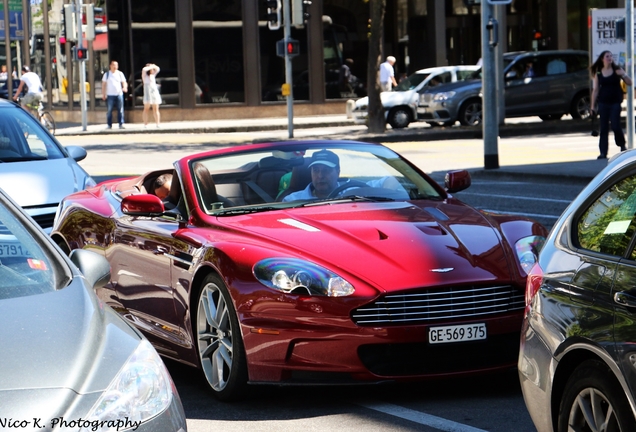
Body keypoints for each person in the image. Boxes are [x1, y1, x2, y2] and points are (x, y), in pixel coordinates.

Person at [282, 150, 401, 202]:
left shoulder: (353, 191)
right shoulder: (293, 200)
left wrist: (384, 198)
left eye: (326, 170)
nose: (320, 175)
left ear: (338, 172)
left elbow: (393, 179)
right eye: (316, 170)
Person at [590, 50, 632, 159]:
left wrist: (624, 74)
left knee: (615, 126)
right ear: (602, 59)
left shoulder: (617, 70)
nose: (609, 58)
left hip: (615, 103)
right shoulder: (598, 73)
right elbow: (595, 90)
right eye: (607, 56)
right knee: (603, 128)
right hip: (603, 103)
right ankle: (603, 152)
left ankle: (622, 145)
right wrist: (592, 106)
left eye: (610, 56)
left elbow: (629, 82)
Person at [101, 60, 128, 129]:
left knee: (121, 110)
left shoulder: (120, 74)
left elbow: (124, 82)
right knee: (109, 110)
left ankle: (121, 124)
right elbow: (103, 85)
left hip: (119, 94)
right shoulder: (107, 74)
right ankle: (109, 125)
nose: (115, 67)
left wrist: (124, 87)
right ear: (110, 66)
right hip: (110, 95)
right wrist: (103, 94)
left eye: (116, 65)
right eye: (114, 65)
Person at [142, 63, 161, 128]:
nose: (153, 70)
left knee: (156, 108)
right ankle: (145, 124)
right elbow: (144, 69)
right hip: (148, 91)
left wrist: (153, 66)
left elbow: (158, 69)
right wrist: (150, 66)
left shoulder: (153, 75)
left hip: (154, 91)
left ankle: (158, 123)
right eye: (152, 69)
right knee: (146, 108)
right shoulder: (145, 76)